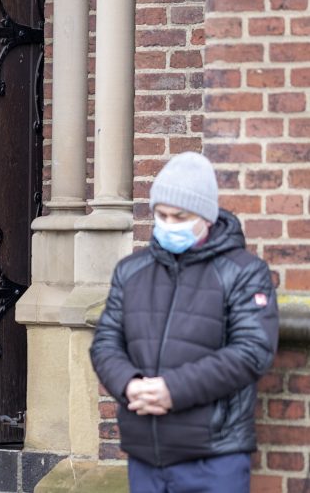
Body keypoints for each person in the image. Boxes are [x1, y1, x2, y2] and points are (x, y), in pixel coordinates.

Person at [90, 152, 279, 492]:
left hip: (213, 457)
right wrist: (129, 383)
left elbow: (252, 351)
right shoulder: (131, 272)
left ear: (205, 217)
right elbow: (105, 341)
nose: (169, 223)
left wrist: (172, 390)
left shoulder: (244, 273)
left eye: (180, 216)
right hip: (146, 455)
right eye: (161, 215)